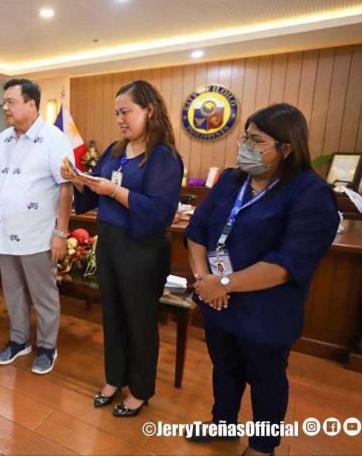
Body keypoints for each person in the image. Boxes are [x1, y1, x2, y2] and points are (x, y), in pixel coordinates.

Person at [185, 103, 339, 455]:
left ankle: (263, 445)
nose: (245, 147)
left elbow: (288, 263)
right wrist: (204, 278)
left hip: (266, 310)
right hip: (218, 300)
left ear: (286, 148)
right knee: (224, 369)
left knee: (266, 380)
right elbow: (197, 230)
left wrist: (224, 284)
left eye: (256, 141)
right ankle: (223, 425)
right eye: (245, 138)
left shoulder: (309, 193)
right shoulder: (230, 180)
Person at [62, 80, 183, 417]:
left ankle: (141, 390)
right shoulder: (116, 151)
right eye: (116, 113)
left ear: (150, 110)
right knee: (112, 316)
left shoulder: (164, 156)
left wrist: (114, 192)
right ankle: (114, 378)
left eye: (126, 111)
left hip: (143, 250)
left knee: (140, 321)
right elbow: (90, 197)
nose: (120, 119)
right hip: (111, 244)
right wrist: (77, 179)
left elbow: (160, 212)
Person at [0, 78, 73, 375]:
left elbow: (66, 187)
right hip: (5, 234)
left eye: (11, 102)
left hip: (37, 236)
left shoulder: (53, 138)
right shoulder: (4, 138)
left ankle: (47, 346)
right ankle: (19, 341)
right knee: (13, 292)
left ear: (32, 104)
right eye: (4, 101)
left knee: (44, 295)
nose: (5, 107)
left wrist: (61, 233)